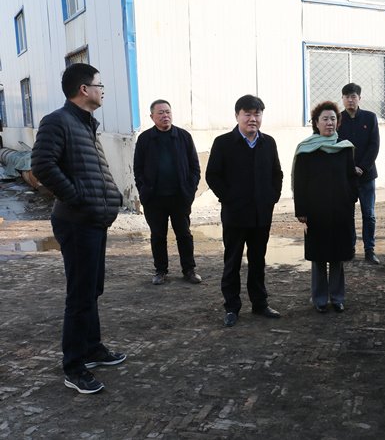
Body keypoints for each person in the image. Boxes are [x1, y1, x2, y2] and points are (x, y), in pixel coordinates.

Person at [31, 63, 126, 394]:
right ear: (84, 89)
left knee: (92, 289)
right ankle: (74, 366)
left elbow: (93, 170)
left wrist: (110, 197)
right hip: (76, 221)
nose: (102, 91)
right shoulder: (57, 121)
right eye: (100, 85)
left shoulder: (85, 125)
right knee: (80, 295)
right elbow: (42, 165)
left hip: (93, 220)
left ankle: (92, 348)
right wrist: (77, 197)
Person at [206, 95, 283, 327]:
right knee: (232, 262)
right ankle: (232, 307)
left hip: (261, 215)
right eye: (247, 114)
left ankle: (260, 303)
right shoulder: (223, 143)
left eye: (257, 114)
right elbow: (213, 175)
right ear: (237, 116)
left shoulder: (268, 143)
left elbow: (276, 173)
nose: (252, 119)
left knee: (258, 260)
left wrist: (271, 198)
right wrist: (229, 198)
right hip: (235, 215)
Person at [293, 101, 357, 313]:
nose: (329, 123)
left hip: (340, 211)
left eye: (333, 119)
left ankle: (337, 297)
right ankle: (320, 299)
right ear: (316, 123)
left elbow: (351, 177)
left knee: (338, 255)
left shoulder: (344, 147)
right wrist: (301, 210)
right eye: (325, 119)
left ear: (338, 122)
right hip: (316, 212)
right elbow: (299, 182)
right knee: (319, 256)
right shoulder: (306, 149)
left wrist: (351, 197)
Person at [134, 100, 202, 285]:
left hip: (180, 197)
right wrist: (144, 189)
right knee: (158, 235)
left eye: (168, 112)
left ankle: (189, 270)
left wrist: (190, 189)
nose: (165, 116)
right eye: (161, 113)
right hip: (154, 198)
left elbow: (195, 167)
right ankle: (161, 271)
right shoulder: (145, 139)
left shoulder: (183, 137)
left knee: (184, 234)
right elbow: (138, 169)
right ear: (152, 117)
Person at [338, 83, 380, 264]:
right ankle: (350, 248)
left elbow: (374, 145)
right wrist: (348, 168)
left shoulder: (370, 118)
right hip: (345, 177)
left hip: (366, 175)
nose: (350, 100)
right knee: (347, 214)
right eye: (347, 97)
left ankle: (369, 250)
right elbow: (336, 146)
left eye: (353, 96)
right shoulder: (338, 119)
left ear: (359, 98)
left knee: (368, 214)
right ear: (342, 99)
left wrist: (362, 167)